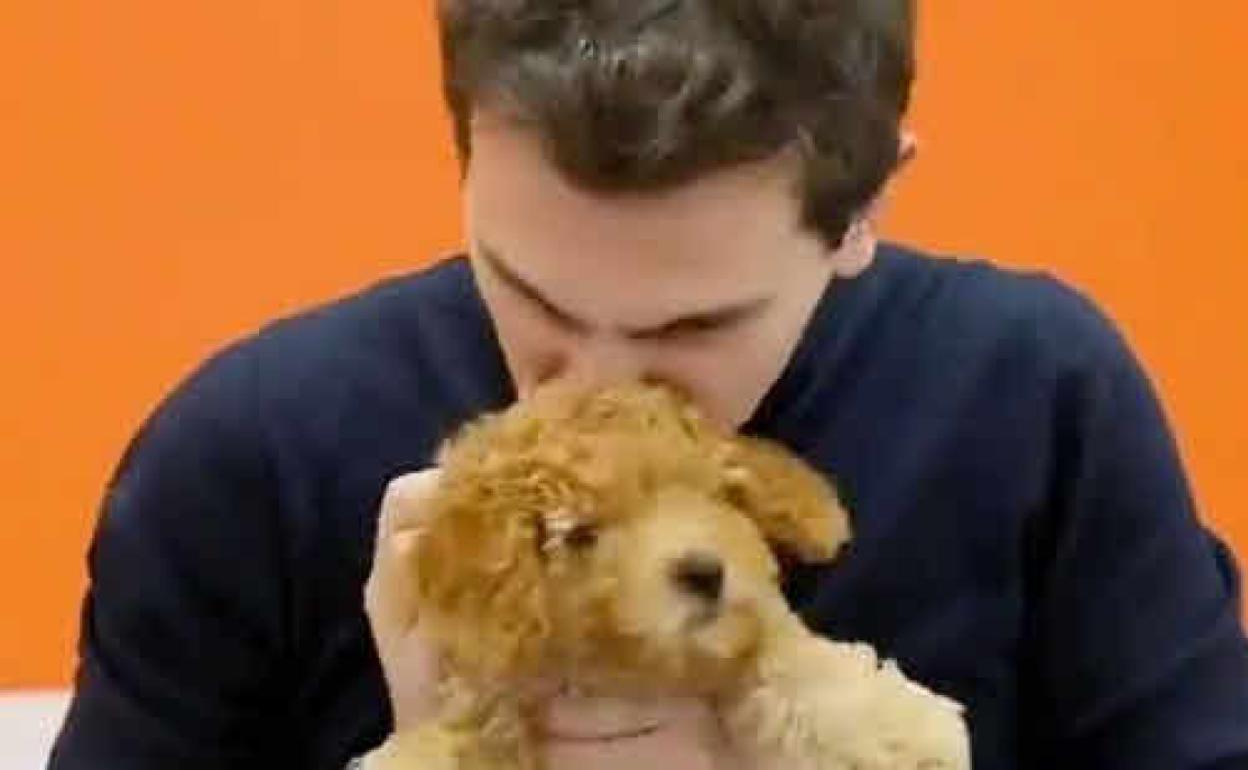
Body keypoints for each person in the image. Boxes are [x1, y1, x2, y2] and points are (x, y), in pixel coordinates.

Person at [48, 1, 1248, 768]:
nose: (593, 386)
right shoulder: (249, 456)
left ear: (868, 206)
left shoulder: (1038, 398)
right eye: (531, 295)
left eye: (695, 325)